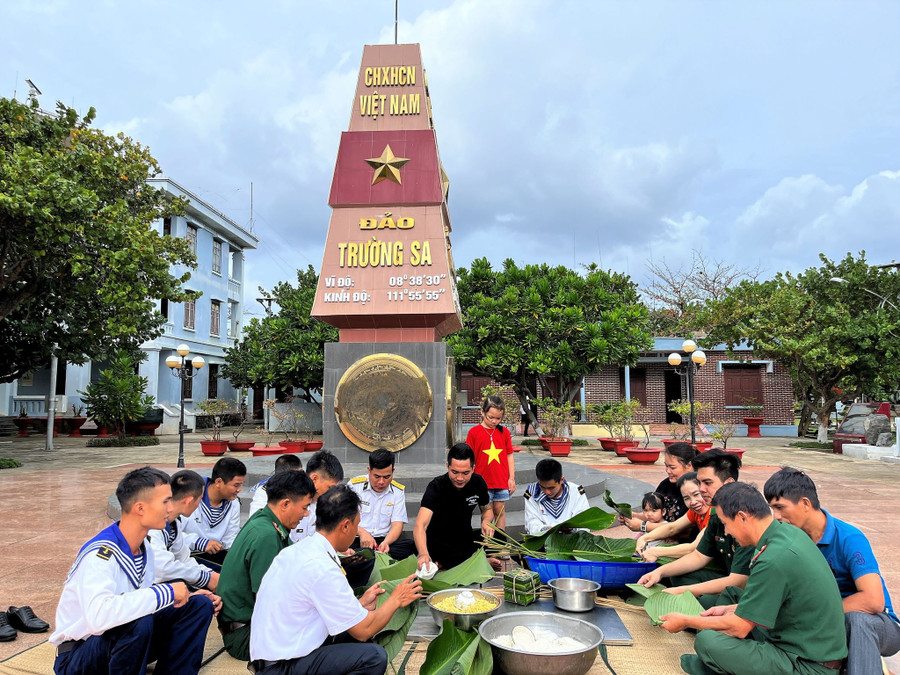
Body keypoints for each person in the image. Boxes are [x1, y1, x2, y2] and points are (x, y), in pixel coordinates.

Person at [660, 482, 847, 675]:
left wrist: (685, 621)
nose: (726, 532)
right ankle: (716, 665)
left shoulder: (773, 558)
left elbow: (740, 628)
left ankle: (714, 666)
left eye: (725, 524)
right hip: (792, 637)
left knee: (707, 641)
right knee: (731, 597)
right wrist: (730, 609)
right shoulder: (785, 533)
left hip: (805, 664)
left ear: (742, 517)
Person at [50, 467, 219, 675]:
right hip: (79, 656)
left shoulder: (143, 546)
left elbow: (141, 600)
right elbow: (98, 618)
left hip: (122, 643)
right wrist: (167, 592)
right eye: (165, 501)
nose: (170, 508)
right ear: (140, 508)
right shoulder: (101, 555)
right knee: (137, 620)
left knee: (198, 605)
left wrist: (186, 596)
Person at [249, 484, 423, 674]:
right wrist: (395, 599)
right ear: (346, 526)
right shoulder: (322, 567)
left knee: (352, 634)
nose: (357, 530)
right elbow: (364, 630)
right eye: (357, 525)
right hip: (281, 666)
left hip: (274, 654)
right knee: (373, 657)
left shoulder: (299, 550)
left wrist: (360, 604)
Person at [764, 467, 900, 675]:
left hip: (879, 625)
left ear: (805, 503)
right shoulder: (793, 540)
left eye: (780, 507)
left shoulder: (848, 538)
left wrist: (818, 613)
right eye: (772, 509)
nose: (777, 516)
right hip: (828, 624)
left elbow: (873, 601)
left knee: (856, 620)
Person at [217, 469, 316, 661]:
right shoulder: (266, 535)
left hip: (250, 628)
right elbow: (270, 599)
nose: (306, 514)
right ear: (286, 503)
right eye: (304, 507)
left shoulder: (266, 520)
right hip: (247, 636)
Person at [637, 449, 754, 606]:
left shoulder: (744, 516)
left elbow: (738, 581)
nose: (701, 490)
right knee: (677, 576)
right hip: (728, 579)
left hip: (748, 590)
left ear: (729, 484)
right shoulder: (716, 513)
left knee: (703, 601)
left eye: (707, 483)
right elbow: (698, 556)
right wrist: (658, 572)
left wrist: (684, 591)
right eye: (699, 483)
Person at [414, 443, 495, 570]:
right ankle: (476, 560)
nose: (460, 478)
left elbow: (487, 510)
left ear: (473, 468)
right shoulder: (436, 487)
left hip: (464, 536)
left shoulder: (478, 482)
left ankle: (474, 559)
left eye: (465, 473)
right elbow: (420, 525)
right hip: (439, 540)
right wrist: (423, 554)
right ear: (447, 466)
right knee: (445, 553)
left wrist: (486, 521)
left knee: (500, 537)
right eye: (455, 472)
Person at [147, 469, 219, 592]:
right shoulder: (153, 525)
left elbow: (184, 559)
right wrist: (206, 578)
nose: (199, 504)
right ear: (189, 500)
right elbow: (162, 569)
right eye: (200, 499)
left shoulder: (174, 523)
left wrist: (211, 575)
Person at [348, 449, 415, 560]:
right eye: (377, 476)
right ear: (369, 470)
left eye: (387, 477)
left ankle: (369, 558)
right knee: (347, 550)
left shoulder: (398, 491)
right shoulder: (355, 486)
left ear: (393, 471)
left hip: (383, 540)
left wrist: (386, 543)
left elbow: (397, 525)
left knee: (410, 546)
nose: (381, 482)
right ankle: (371, 558)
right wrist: (362, 532)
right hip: (358, 538)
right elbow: (344, 519)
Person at [182, 456, 246, 569]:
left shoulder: (234, 503)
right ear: (219, 482)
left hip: (216, 559)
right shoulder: (192, 497)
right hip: (187, 558)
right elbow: (174, 535)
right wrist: (200, 543)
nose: (239, 489)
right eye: (236, 485)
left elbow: (230, 538)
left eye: (241, 484)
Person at [467, 395, 516, 536]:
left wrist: (511, 478)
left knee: (500, 512)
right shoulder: (474, 432)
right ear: (482, 413)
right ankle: (488, 546)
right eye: (490, 417)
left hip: (501, 480)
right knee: (487, 514)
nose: (494, 421)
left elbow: (509, 455)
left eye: (498, 418)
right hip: (482, 482)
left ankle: (500, 545)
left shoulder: (504, 432)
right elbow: (469, 459)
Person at [621, 442, 696, 532]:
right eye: (666, 466)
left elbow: (682, 529)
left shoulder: (697, 490)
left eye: (672, 467)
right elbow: (653, 512)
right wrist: (632, 516)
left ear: (688, 465)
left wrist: (643, 526)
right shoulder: (665, 485)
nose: (667, 470)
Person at [638, 472, 711, 562]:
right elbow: (672, 527)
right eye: (686, 498)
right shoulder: (695, 512)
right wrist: (644, 538)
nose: (693, 502)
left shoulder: (714, 513)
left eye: (696, 494)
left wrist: (655, 551)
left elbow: (693, 548)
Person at [522, 458, 590, 535]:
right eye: (543, 487)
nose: (547, 492)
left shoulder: (576, 492)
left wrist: (572, 528)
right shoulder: (532, 493)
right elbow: (531, 522)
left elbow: (584, 522)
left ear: (561, 480)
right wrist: (545, 529)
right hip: (544, 539)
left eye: (551, 488)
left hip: (571, 540)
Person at [291, 450, 344, 543]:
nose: (332, 492)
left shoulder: (329, 505)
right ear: (314, 478)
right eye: (330, 487)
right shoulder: (288, 498)